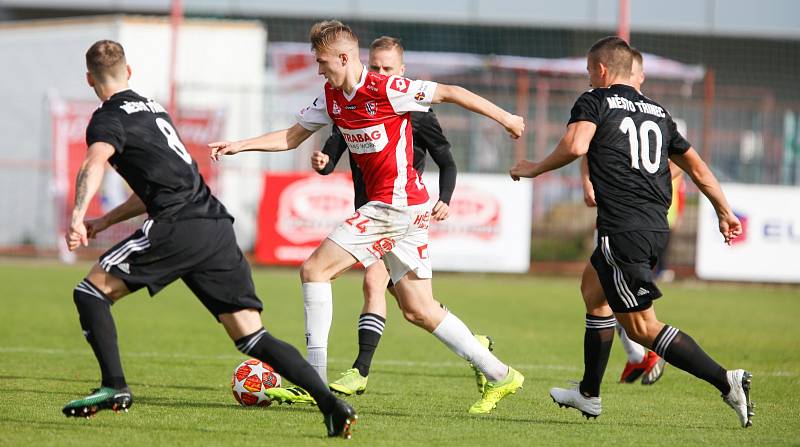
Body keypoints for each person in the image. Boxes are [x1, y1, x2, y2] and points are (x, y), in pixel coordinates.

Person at [210, 20, 525, 415]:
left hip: (394, 207)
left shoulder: (387, 88)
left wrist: (508, 119)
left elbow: (452, 92)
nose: (319, 69)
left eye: (323, 62)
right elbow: (291, 137)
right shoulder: (331, 96)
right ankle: (501, 374)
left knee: (314, 270)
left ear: (344, 57)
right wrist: (240, 145)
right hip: (405, 209)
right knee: (419, 309)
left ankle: (313, 380)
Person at [62, 40, 356, 439]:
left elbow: (94, 161)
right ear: (128, 73)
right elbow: (156, 185)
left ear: (89, 79)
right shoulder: (153, 109)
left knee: (90, 293)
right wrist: (105, 220)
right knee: (253, 336)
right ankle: (332, 404)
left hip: (178, 225)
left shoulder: (107, 117)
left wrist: (78, 216)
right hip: (215, 226)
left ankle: (115, 385)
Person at [510, 36, 753, 428]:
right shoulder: (659, 112)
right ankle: (588, 393)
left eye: (591, 71)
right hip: (655, 225)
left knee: (642, 328)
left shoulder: (595, 100)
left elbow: (576, 145)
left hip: (622, 229)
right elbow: (698, 167)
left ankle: (726, 380)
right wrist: (724, 211)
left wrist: (533, 167)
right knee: (594, 292)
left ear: (602, 70)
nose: (589, 78)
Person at [310, 35, 492, 397]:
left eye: (386, 68)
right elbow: (337, 143)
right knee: (416, 307)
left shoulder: (414, 110)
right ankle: (479, 351)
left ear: (401, 71)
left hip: (396, 211)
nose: (379, 72)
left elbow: (447, 159)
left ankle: (358, 371)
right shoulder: (356, 100)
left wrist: (446, 197)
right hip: (368, 208)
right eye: (374, 66)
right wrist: (324, 163)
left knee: (372, 283)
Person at [579, 47, 668, 386]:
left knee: (621, 296)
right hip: (616, 216)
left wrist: (648, 192)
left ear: (639, 76)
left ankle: (650, 351)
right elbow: (586, 145)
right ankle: (635, 357)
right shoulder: (604, 105)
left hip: (636, 221)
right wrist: (587, 180)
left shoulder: (655, 115)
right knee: (596, 289)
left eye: (634, 74)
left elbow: (675, 164)